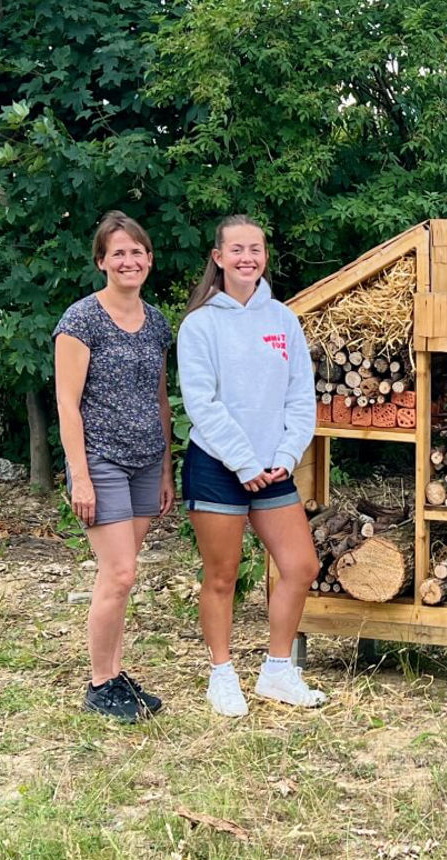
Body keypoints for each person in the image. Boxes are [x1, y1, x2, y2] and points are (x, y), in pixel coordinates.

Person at [177, 214, 324, 717]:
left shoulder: (283, 320)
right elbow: (203, 404)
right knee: (222, 576)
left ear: (264, 256)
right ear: (218, 258)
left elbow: (300, 398)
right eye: (236, 249)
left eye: (255, 249)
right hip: (219, 467)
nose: (247, 258)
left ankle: (277, 671)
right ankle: (222, 675)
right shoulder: (200, 325)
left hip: (273, 469)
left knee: (301, 566)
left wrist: (284, 457)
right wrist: (243, 463)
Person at [54, 211, 174, 722]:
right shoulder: (81, 319)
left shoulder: (157, 323)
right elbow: (66, 401)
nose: (129, 260)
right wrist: (79, 475)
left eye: (137, 251)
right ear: (102, 261)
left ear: (149, 259)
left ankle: (116, 672)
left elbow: (161, 400)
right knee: (120, 572)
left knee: (119, 575)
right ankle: (100, 683)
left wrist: (166, 468)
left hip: (147, 460)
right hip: (100, 459)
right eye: (118, 252)